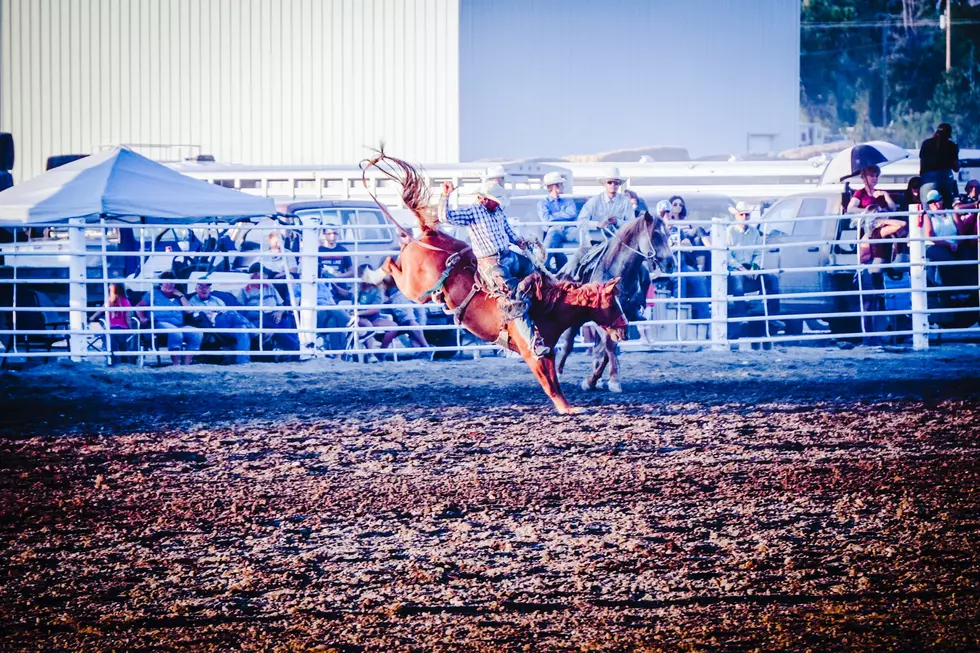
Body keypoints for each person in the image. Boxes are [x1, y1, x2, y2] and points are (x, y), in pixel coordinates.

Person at [438, 179, 549, 357]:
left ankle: (546, 314)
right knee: (512, 296)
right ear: (484, 199)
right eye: (495, 201)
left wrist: (518, 240)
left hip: (508, 255)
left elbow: (507, 230)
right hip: (490, 263)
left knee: (537, 272)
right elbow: (446, 217)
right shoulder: (472, 212)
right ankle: (532, 343)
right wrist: (446, 195)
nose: (498, 204)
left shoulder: (497, 211)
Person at [726, 202, 779, 343]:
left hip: (749, 267)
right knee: (738, 282)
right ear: (736, 216)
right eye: (741, 214)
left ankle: (772, 317)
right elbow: (727, 255)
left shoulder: (754, 232)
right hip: (735, 268)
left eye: (746, 214)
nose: (744, 217)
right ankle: (742, 316)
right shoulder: (729, 231)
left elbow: (757, 252)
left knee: (772, 279)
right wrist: (741, 269)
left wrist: (754, 267)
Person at [135, 271, 203, 365]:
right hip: (159, 323)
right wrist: (142, 318)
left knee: (197, 333)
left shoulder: (178, 297)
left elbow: (189, 311)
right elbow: (139, 306)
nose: (169, 285)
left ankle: (186, 365)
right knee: (175, 332)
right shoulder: (154, 293)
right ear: (161, 283)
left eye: (171, 282)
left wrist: (181, 295)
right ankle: (176, 364)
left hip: (178, 325)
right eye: (166, 282)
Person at [665, 195, 711, 326]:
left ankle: (704, 321)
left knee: (700, 279)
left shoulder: (678, 229)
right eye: (674, 205)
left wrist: (678, 245)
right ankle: (680, 322)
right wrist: (677, 246)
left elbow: (689, 247)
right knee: (681, 279)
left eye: (680, 205)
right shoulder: (658, 230)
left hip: (683, 263)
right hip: (668, 265)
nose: (678, 207)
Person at [236, 263, 301, 355]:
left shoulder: (270, 287)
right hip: (256, 319)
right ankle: (297, 348)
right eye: (264, 273)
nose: (266, 276)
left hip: (274, 316)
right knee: (277, 328)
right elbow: (240, 311)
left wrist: (279, 312)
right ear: (255, 274)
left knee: (285, 325)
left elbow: (281, 304)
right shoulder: (243, 291)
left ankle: (294, 349)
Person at [363, 266, 428, 350]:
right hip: (410, 293)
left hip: (405, 293)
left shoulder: (391, 261)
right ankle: (424, 348)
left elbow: (383, 281)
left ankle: (422, 349)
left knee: (413, 322)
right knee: (414, 322)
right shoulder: (398, 260)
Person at [188, 281, 254, 364]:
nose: (204, 289)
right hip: (212, 326)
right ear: (196, 289)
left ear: (210, 289)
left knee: (241, 328)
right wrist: (212, 314)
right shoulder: (192, 301)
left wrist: (215, 313)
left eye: (206, 287)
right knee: (234, 315)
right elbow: (196, 316)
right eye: (201, 287)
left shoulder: (217, 300)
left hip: (225, 324)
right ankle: (254, 330)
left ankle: (243, 362)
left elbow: (225, 313)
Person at [577, 167, 634, 245]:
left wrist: (617, 222)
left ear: (619, 184)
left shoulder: (625, 202)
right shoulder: (594, 201)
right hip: (595, 242)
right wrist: (597, 224)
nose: (613, 185)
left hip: (619, 242)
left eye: (616, 182)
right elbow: (580, 222)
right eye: (610, 182)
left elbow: (632, 224)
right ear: (605, 184)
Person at [352, 265, 400, 357]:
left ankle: (382, 352)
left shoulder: (377, 290)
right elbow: (347, 295)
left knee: (394, 327)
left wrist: (359, 312)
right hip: (359, 318)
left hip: (372, 317)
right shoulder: (357, 288)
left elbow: (375, 309)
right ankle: (371, 355)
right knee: (367, 326)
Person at [538, 171, 579, 273]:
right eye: (561, 184)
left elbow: (573, 213)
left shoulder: (567, 199)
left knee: (583, 235)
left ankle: (586, 262)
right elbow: (546, 219)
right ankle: (545, 268)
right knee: (553, 243)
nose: (563, 186)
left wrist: (554, 216)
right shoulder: (542, 202)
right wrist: (563, 215)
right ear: (555, 186)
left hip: (568, 229)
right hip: (554, 230)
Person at [88, 282, 135, 363]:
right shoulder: (125, 301)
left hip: (111, 328)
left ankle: (113, 362)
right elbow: (127, 317)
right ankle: (125, 362)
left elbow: (99, 311)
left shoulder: (108, 301)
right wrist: (130, 328)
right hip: (123, 328)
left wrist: (91, 318)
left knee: (112, 346)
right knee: (123, 346)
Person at [919, 123, 959, 209]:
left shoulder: (926, 143)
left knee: (927, 210)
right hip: (945, 178)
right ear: (949, 134)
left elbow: (921, 164)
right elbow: (956, 168)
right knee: (947, 209)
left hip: (927, 180)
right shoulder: (951, 145)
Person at [318, 227, 354, 301]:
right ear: (324, 235)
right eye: (329, 233)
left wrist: (337, 277)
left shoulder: (343, 250)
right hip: (323, 286)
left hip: (340, 287)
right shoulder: (318, 251)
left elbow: (351, 272)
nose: (333, 236)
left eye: (335, 233)